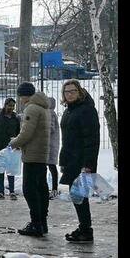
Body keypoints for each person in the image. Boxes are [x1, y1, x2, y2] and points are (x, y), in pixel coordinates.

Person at [58, 79, 100, 243]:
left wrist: (88, 165)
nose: (69, 94)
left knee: (80, 197)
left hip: (82, 161)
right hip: (71, 160)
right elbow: (67, 139)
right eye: (66, 92)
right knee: (77, 196)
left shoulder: (86, 110)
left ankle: (86, 230)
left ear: (79, 92)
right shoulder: (70, 110)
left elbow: (92, 140)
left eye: (72, 91)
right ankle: (84, 227)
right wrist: (63, 159)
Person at [9, 82, 51, 237]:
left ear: (23, 95)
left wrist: (13, 143)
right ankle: (42, 222)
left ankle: (36, 224)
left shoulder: (31, 108)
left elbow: (26, 133)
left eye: (20, 96)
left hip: (32, 155)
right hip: (41, 154)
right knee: (41, 189)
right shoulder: (43, 107)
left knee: (29, 189)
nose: (19, 99)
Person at [0, 98, 21, 200]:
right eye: (9, 105)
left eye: (13, 106)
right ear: (5, 105)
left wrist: (17, 143)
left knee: (11, 169)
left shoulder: (15, 118)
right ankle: (1, 192)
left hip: (10, 147)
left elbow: (19, 132)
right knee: (0, 169)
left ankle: (12, 192)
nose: (11, 108)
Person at [47, 97, 60, 199]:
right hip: (51, 144)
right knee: (51, 167)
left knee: (51, 166)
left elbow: (50, 128)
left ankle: (54, 189)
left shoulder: (49, 113)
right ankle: (54, 188)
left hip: (49, 144)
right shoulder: (51, 112)